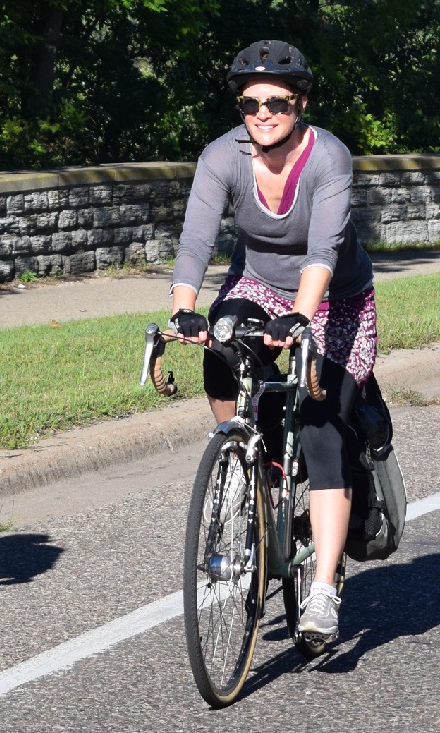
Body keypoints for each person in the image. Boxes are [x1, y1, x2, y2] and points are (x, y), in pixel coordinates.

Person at [169, 39, 376, 643]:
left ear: (300, 103)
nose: (263, 114)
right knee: (221, 347)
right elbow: (195, 240)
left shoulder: (328, 157)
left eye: (277, 102)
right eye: (250, 103)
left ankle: (323, 590)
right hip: (257, 283)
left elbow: (323, 252)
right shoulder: (222, 156)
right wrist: (184, 309)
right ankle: (244, 461)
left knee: (319, 428)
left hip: (334, 297)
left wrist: (300, 317)